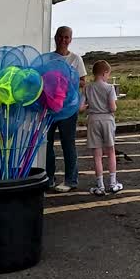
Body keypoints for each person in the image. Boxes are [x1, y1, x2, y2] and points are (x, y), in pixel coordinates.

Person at [46, 25, 87, 192]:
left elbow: (84, 81)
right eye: (60, 36)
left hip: (68, 109)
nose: (63, 40)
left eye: (67, 37)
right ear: (55, 37)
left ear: (70, 39)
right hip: (49, 108)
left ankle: (71, 180)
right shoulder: (47, 58)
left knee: (68, 144)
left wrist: (68, 80)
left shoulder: (76, 59)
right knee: (46, 144)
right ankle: (48, 178)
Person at [85, 60, 123, 195]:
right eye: (108, 74)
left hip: (93, 120)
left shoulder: (88, 88)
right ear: (104, 73)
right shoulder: (109, 88)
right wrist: (114, 107)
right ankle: (113, 183)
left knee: (97, 155)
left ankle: (100, 186)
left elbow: (83, 106)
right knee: (111, 151)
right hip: (107, 119)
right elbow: (113, 107)